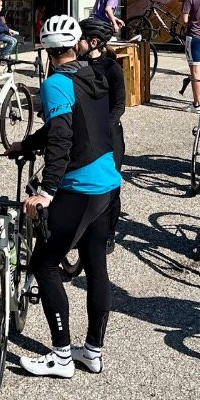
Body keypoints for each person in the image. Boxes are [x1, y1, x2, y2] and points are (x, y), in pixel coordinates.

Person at [7, 14, 121, 379]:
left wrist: (46, 192)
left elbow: (61, 138)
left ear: (46, 51)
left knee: (44, 264)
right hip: (107, 181)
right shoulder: (94, 75)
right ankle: (92, 351)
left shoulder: (55, 83)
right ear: (76, 45)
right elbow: (74, 122)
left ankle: (60, 355)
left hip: (79, 186)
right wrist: (29, 143)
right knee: (96, 264)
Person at [79, 16, 127, 255]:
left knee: (110, 187)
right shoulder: (78, 64)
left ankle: (108, 233)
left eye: (81, 38)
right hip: (83, 134)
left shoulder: (112, 68)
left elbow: (119, 106)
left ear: (94, 42)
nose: (76, 42)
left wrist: (101, 127)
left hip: (108, 135)